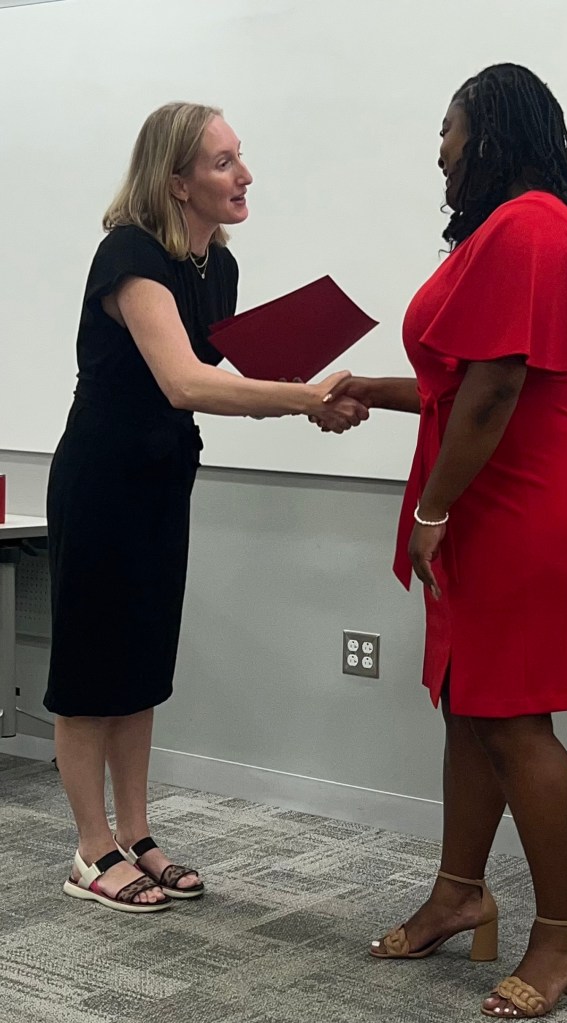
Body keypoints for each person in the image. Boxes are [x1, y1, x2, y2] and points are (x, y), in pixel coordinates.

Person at [314, 64, 567, 1017]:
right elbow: (464, 381)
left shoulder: (528, 224)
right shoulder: (512, 227)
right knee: (466, 701)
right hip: (491, 484)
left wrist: (431, 510)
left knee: (513, 714)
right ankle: (458, 893)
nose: (438, 151)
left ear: (487, 132)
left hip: (521, 494)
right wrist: (372, 388)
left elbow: (497, 390)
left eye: (446, 130)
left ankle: (565, 935)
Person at [44, 102, 366, 913]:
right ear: (176, 180)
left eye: (239, 157)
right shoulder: (130, 255)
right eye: (223, 162)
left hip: (162, 478)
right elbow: (184, 381)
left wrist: (298, 392)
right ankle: (90, 850)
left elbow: (222, 383)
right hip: (102, 480)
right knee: (90, 669)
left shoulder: (214, 264)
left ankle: (136, 834)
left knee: (141, 664)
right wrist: (305, 397)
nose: (244, 175)